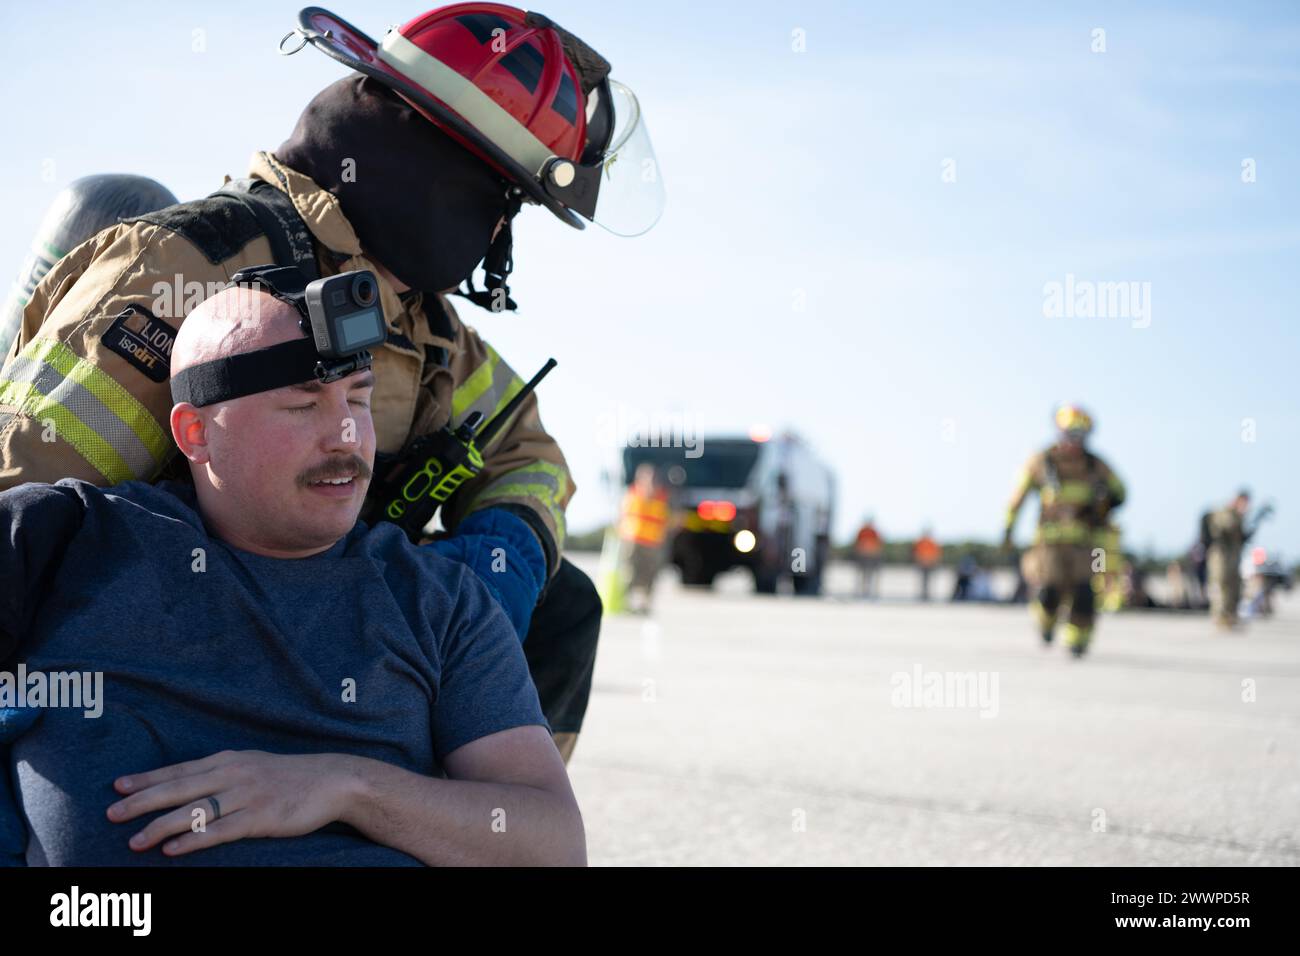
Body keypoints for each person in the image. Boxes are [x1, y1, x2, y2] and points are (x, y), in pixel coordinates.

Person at [0, 4, 664, 764]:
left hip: (311, 622)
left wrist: (499, 555)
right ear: (447, 178)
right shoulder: (188, 268)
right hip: (174, 639)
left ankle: (465, 822)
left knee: (563, 606)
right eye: (501, 206)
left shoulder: (423, 321)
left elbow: (528, 448)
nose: (495, 238)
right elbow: (22, 497)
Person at [1, 285, 584, 866]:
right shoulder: (65, 541)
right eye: (304, 405)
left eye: (358, 400)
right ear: (196, 434)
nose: (347, 437)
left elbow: (553, 845)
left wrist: (347, 786)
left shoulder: (439, 602)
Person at [1003, 404, 1125, 657]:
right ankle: (1045, 624)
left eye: (1081, 436)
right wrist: (1008, 529)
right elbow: (1018, 497)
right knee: (1050, 591)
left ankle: (1077, 641)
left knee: (1085, 593)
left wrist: (1103, 505)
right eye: (1070, 435)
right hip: (1050, 542)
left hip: (1087, 544)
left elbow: (1121, 493)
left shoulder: (1096, 466)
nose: (1075, 442)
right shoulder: (1041, 461)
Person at [618, 463, 670, 614]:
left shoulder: (662, 497)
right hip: (633, 541)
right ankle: (625, 603)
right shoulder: (632, 494)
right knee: (630, 573)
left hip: (653, 543)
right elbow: (622, 516)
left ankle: (644, 604)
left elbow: (666, 519)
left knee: (650, 574)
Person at [1205, 490, 1253, 629]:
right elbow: (1226, 527)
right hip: (1221, 557)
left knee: (1234, 587)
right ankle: (1219, 618)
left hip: (1233, 557)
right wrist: (1240, 514)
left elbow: (1241, 536)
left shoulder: (1238, 515)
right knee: (1220, 585)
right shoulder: (1224, 512)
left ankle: (1230, 617)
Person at [854, 517, 884, 598]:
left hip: (872, 556)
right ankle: (860, 591)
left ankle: (869, 591)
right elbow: (857, 542)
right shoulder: (862, 531)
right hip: (863, 555)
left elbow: (879, 544)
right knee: (861, 574)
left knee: (870, 574)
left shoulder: (874, 532)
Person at [913, 529, 942, 601]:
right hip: (922, 563)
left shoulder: (932, 543)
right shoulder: (920, 542)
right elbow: (916, 552)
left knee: (928, 579)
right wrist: (920, 561)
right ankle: (923, 594)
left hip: (929, 563)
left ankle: (927, 594)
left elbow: (936, 553)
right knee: (923, 579)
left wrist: (933, 562)